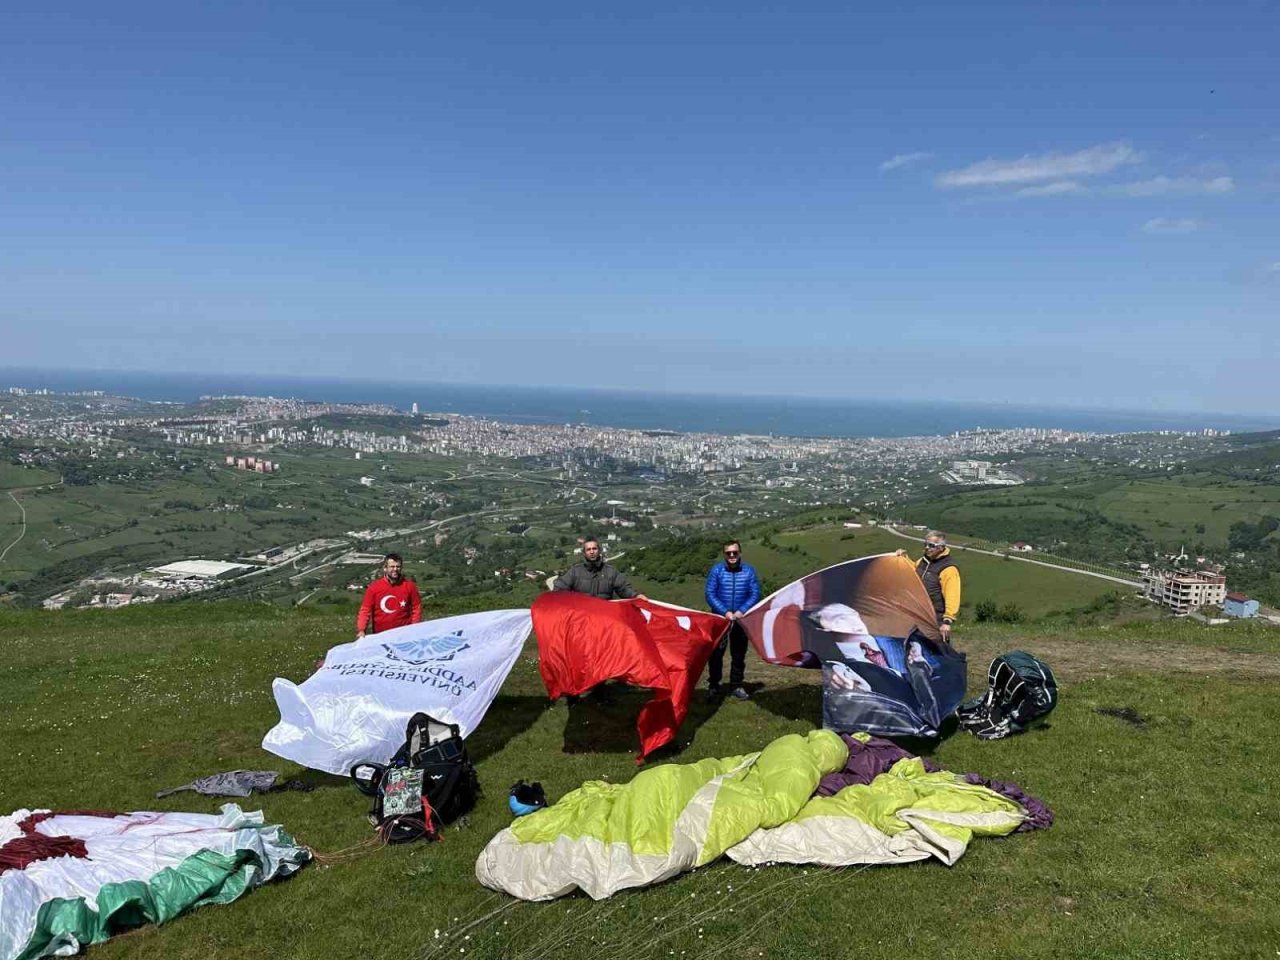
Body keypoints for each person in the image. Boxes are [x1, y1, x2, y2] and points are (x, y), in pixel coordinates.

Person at [704, 539, 761, 701]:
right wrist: (725, 612)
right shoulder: (717, 571)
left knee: (738, 654)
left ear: (739, 553)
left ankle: (736, 685)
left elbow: (755, 593)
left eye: (734, 552)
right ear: (724, 554)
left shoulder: (749, 571)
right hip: (720, 619)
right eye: (728, 553)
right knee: (716, 654)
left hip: (741, 620)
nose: (732, 555)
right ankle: (714, 685)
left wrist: (742, 610)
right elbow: (710, 593)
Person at [898, 531, 961, 643]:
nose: (927, 548)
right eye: (925, 544)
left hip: (936, 618)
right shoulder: (923, 561)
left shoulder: (949, 569)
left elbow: (953, 596)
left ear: (941, 547)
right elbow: (914, 571)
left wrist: (947, 621)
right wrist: (904, 558)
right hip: (919, 615)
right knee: (915, 649)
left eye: (931, 546)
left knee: (938, 652)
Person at [552, 538, 644, 600]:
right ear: (584, 553)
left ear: (599, 550)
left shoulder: (610, 571)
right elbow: (560, 589)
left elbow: (623, 589)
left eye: (594, 548)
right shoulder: (575, 571)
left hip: (603, 617)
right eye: (588, 549)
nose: (592, 552)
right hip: (582, 618)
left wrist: (636, 596)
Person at [356, 553, 423, 638]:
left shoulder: (410, 586)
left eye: (398, 566)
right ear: (385, 568)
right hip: (381, 635)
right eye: (392, 566)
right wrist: (361, 630)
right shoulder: (374, 588)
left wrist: (415, 627)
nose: (395, 569)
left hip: (404, 635)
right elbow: (365, 610)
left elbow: (416, 608)